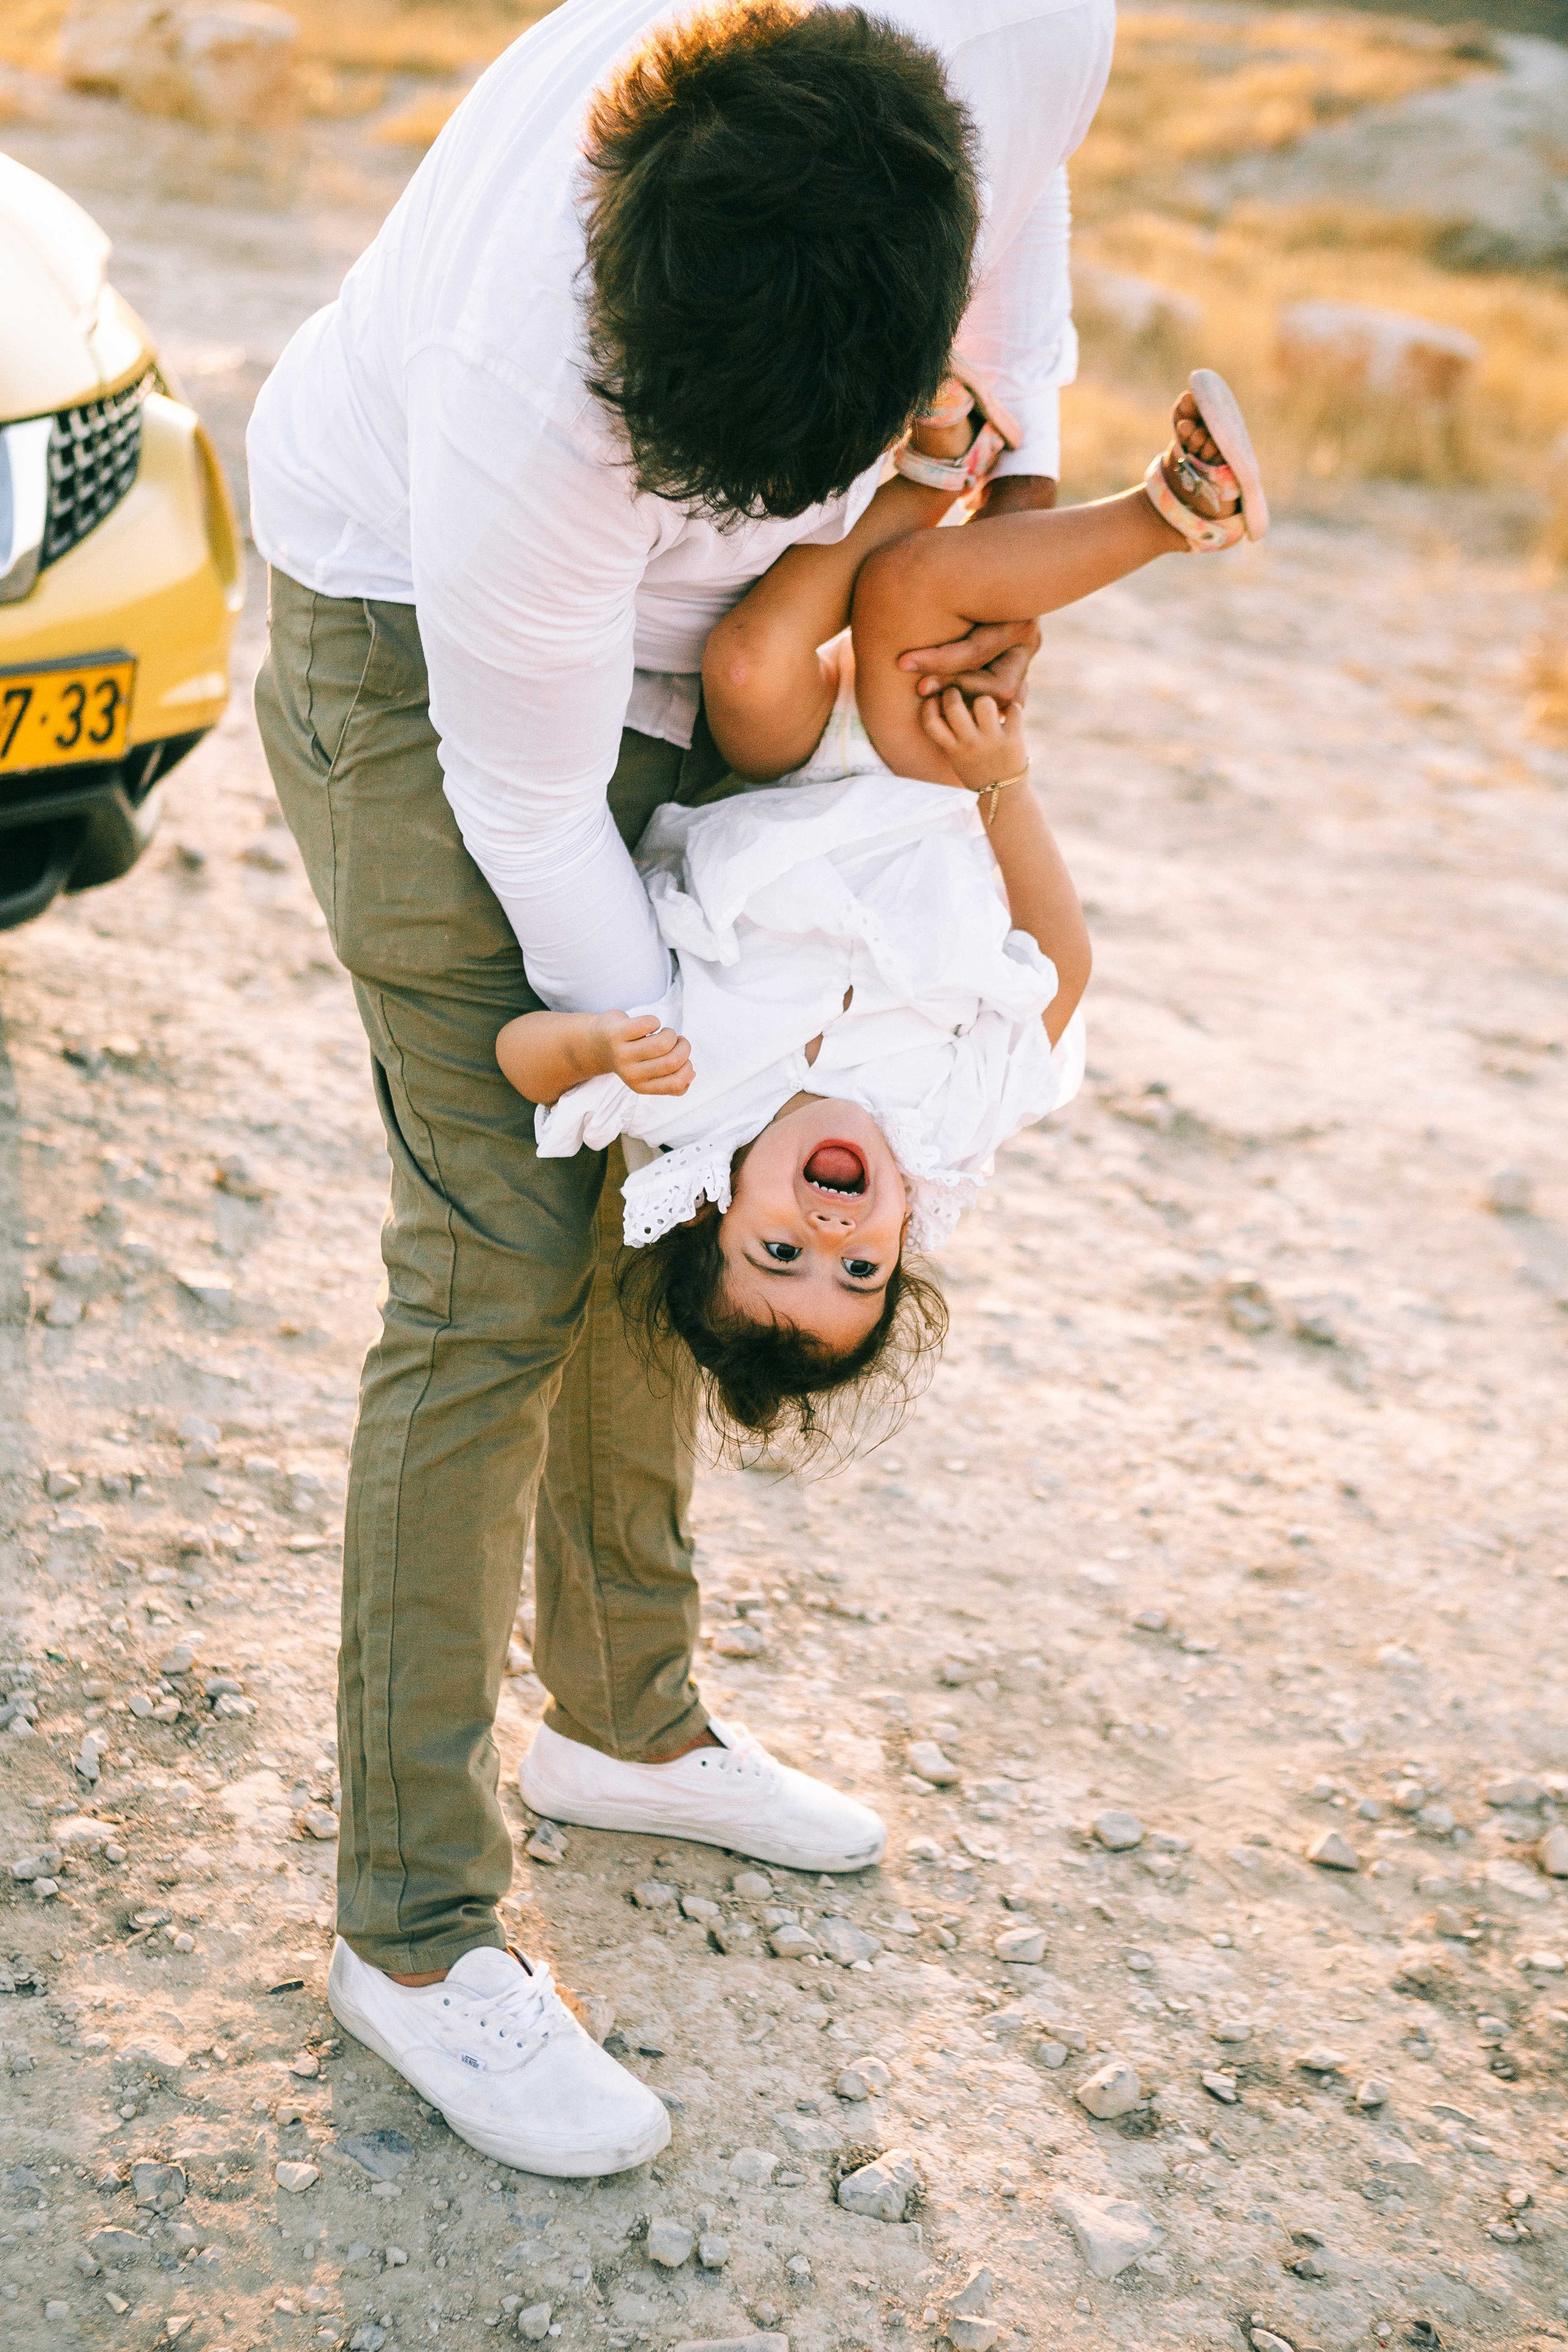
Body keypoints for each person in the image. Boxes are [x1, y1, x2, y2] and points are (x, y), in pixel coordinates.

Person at [249, 0, 1118, 2179]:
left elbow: (1007, 359)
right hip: (429, 652)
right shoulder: (531, 391)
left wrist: (976, 535)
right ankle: (420, 1933)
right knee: (507, 1248)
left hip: (704, 664)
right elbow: (532, 821)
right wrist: (700, 1068)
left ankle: (622, 1721)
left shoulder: (1011, 42)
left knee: (671, 1209)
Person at [494, 375, 1260, 1450]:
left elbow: (525, 1065)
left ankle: (931, 473)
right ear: (904, 1244)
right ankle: (1179, 508)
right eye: (862, 1270)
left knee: (749, 665)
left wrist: (588, 1044)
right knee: (911, 595)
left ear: (716, 1213)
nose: (832, 1229)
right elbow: (1063, 969)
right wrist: (1003, 784)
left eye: (781, 1253)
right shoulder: (948, 1123)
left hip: (780, 786)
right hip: (926, 790)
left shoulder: (685, 1104)